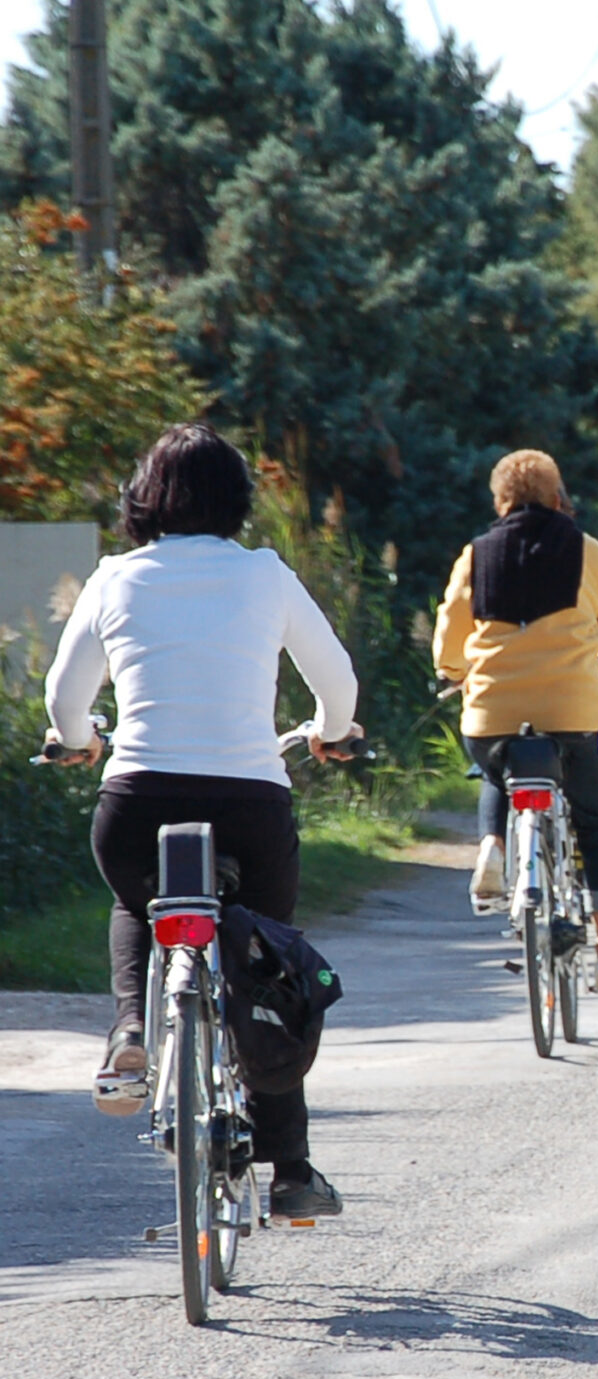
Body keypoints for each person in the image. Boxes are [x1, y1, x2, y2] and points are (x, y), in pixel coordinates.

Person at [42, 423, 361, 1219]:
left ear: (143, 497)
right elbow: (337, 683)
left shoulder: (116, 576)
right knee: (263, 965)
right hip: (249, 805)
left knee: (134, 904)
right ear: (237, 500)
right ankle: (290, 1172)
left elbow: (62, 701)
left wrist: (79, 743)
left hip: (136, 803)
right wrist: (327, 732)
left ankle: (129, 1034)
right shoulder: (264, 574)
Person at [432, 450, 598, 991]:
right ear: (557, 497)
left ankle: (492, 848)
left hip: (492, 715)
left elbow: (449, 637)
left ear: (500, 502)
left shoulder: (476, 554)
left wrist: (455, 669)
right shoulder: (584, 549)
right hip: (575, 713)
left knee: (495, 767)